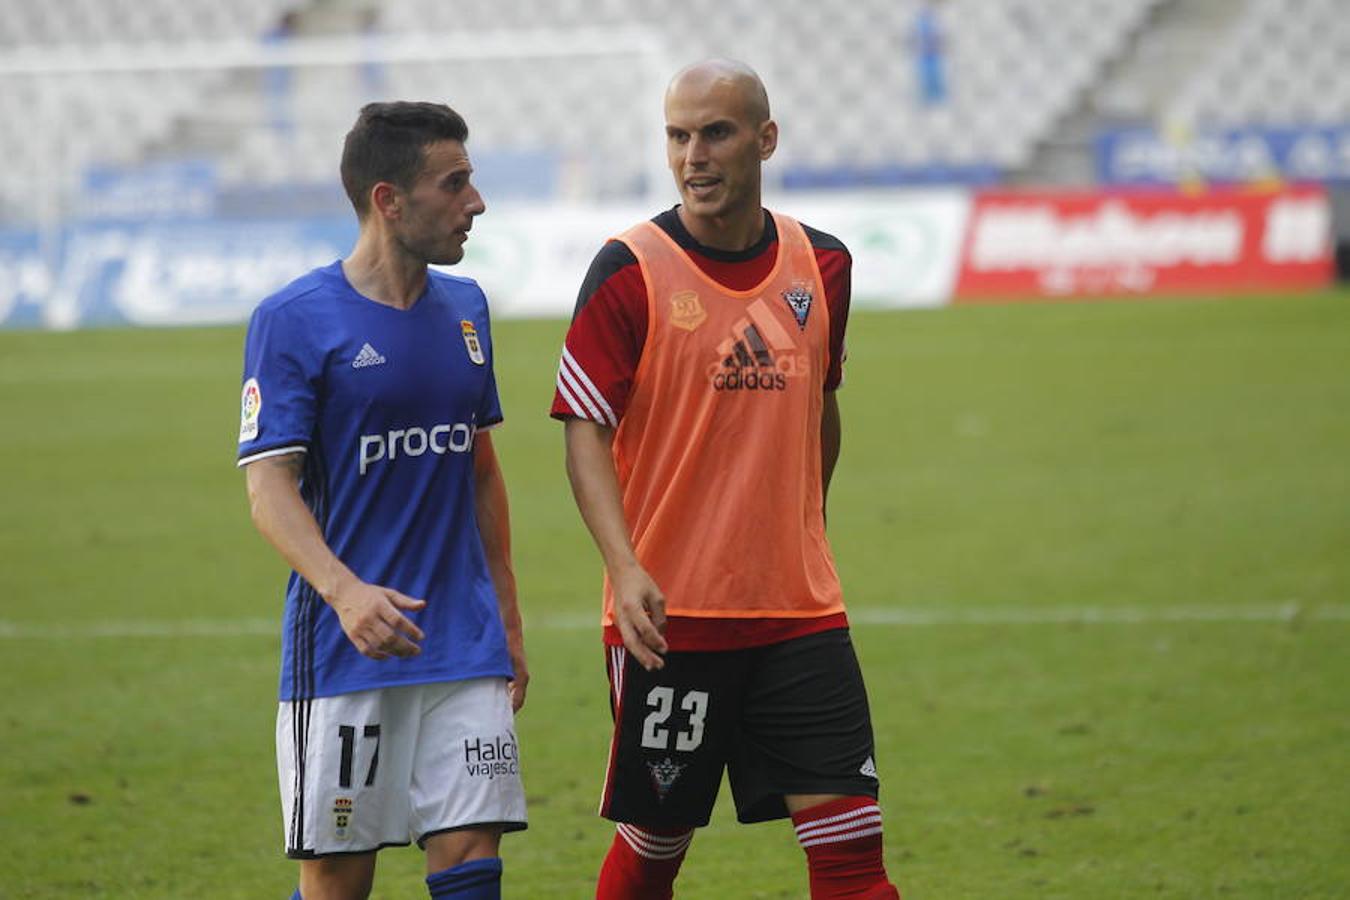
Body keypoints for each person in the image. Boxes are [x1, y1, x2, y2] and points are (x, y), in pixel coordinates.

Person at [551, 60, 902, 899]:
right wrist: (626, 568)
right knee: (655, 849)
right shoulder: (628, 269)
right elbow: (583, 434)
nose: (693, 156)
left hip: (801, 613)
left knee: (854, 852)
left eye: (716, 133)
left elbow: (823, 405)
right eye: (678, 136)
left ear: (765, 139)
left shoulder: (823, 265)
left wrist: (798, 524)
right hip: (673, 619)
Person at [238, 101, 527, 900]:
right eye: (455, 183)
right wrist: (346, 593)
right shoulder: (293, 320)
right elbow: (269, 489)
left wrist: (505, 616)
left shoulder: (468, 310)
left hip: (463, 643)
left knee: (473, 856)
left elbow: (479, 469)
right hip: (346, 650)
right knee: (338, 878)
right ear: (389, 201)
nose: (476, 202)